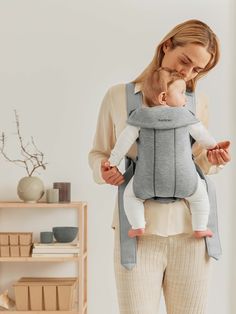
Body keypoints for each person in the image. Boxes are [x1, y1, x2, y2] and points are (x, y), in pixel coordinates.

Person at [88, 19, 231, 314]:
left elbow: (194, 163)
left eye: (197, 69)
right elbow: (99, 152)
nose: (187, 73)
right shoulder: (118, 96)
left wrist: (213, 161)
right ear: (167, 46)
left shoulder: (196, 102)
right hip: (136, 235)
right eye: (185, 61)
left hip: (191, 233)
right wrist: (103, 170)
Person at [106, 67, 228, 239]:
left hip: (146, 179)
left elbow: (122, 144)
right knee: (200, 196)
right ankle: (200, 227)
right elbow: (203, 137)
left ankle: (138, 226)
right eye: (182, 92)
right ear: (163, 97)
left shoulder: (139, 118)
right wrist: (215, 147)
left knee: (130, 196)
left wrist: (112, 162)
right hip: (184, 179)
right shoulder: (186, 117)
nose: (186, 98)